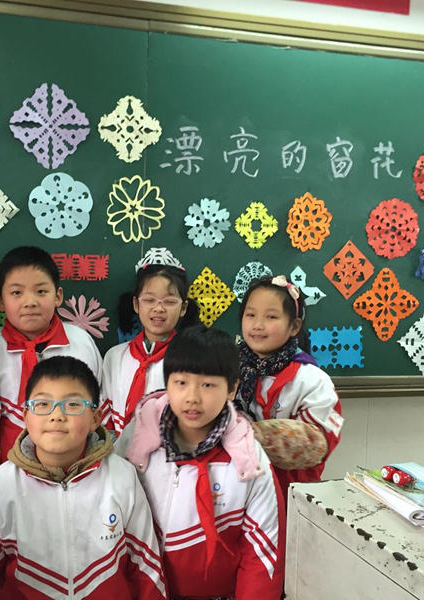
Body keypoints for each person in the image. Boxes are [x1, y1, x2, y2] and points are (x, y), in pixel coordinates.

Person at [0, 356, 166, 599]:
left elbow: (145, 567)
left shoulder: (122, 477)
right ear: (26, 417)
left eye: (73, 404)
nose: (56, 415)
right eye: (42, 404)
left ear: (95, 419)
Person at [117, 325, 284, 598]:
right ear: (167, 383)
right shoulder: (135, 443)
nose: (192, 397)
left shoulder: (248, 459)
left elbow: (261, 553)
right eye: (181, 383)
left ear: (232, 389)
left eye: (207, 385)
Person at [0, 246, 102, 458]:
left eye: (41, 291)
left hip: (73, 462)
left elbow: (97, 405)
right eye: (16, 293)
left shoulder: (80, 342)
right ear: (1, 301)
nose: (30, 302)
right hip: (5, 462)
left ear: (58, 296)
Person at [236, 275, 343, 498]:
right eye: (250, 314)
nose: (257, 325)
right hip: (237, 494)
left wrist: (246, 435)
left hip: (289, 497)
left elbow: (317, 444)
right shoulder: (228, 369)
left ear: (294, 326)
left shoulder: (311, 379)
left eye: (271, 316)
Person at [100, 248, 197, 435]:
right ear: (136, 304)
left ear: (184, 308)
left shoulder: (192, 359)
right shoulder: (115, 356)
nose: (158, 308)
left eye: (169, 302)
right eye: (150, 300)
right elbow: (106, 415)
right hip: (120, 447)